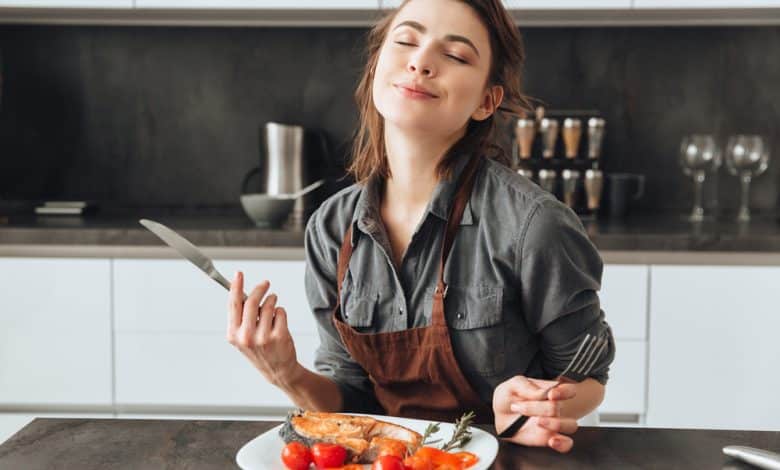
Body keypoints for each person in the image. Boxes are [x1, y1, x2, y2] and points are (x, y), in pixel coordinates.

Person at [227, 0, 615, 454]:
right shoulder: (332, 228)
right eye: (406, 41)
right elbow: (349, 402)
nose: (420, 61)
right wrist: (285, 373)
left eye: (454, 55)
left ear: (487, 101)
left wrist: (539, 405)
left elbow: (589, 376)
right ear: (376, 66)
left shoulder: (534, 226)